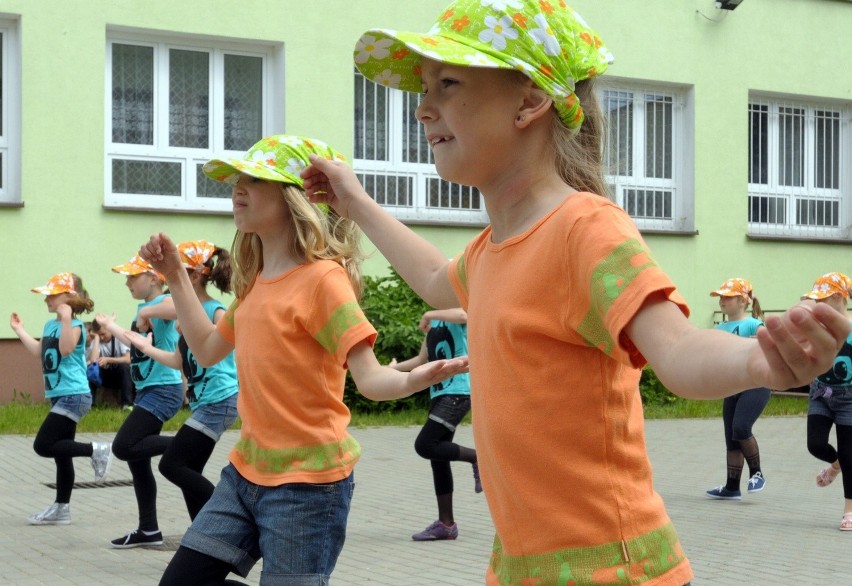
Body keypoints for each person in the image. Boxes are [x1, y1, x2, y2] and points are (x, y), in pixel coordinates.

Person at [299, 1, 852, 583]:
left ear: (531, 100)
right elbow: (438, 279)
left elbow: (678, 350)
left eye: (448, 82)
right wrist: (354, 202)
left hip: (613, 570)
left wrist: (755, 359)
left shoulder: (585, 228)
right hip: (523, 567)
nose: (422, 106)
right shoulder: (493, 248)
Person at [139, 134, 469, 585]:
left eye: (257, 179)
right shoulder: (254, 282)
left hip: (309, 487)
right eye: (239, 178)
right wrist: (175, 275)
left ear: (296, 197)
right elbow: (207, 348)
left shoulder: (323, 281)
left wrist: (418, 377)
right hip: (244, 474)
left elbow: (370, 379)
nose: (239, 187)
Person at [125, 239, 239, 522]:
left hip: (221, 399)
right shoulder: (186, 315)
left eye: (179, 273)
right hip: (204, 401)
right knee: (189, 470)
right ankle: (203, 538)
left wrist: (200, 327)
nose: (170, 280)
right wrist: (145, 346)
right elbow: (178, 362)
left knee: (172, 465)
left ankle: (232, 519)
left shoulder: (217, 310)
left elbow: (224, 347)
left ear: (198, 275)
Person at [9, 272, 112, 525]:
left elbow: (66, 349)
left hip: (74, 395)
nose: (46, 298)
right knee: (61, 455)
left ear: (68, 297)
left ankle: (96, 449)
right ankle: (61, 509)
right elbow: (39, 351)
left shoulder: (75, 326)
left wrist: (67, 319)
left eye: (52, 294)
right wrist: (19, 330)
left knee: (43, 445)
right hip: (59, 396)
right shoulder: (49, 326)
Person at [96, 254, 183, 549]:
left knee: (124, 446)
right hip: (149, 389)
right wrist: (110, 325)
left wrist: (150, 312)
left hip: (163, 389)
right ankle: (149, 530)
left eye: (133, 277)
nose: (127, 282)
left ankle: (186, 446)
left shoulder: (167, 300)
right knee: (137, 460)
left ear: (154, 278)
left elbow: (176, 307)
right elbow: (135, 339)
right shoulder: (143, 307)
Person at [389, 307, 480, 541]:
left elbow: (464, 315)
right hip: (440, 393)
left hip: (459, 390)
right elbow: (422, 360)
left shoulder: (454, 314)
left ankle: (478, 457)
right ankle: (446, 524)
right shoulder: (435, 323)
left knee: (425, 445)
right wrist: (390, 369)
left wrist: (431, 313)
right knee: (438, 458)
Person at [705, 278, 771, 500]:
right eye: (721, 297)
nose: (722, 301)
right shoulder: (719, 328)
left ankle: (757, 474)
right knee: (732, 438)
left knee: (742, 428)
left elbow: (767, 347)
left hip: (755, 386)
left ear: (743, 301)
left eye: (727, 297)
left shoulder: (753, 324)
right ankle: (732, 487)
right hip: (731, 387)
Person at [803, 273, 852, 530]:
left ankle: (849, 510)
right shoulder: (818, 328)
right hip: (821, 392)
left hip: (849, 399)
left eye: (820, 300)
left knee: (849, 452)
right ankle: (835, 465)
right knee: (815, 444)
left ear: (837, 297)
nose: (816, 306)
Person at [91, 318, 135, 409]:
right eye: (99, 335)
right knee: (91, 369)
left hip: (119, 375)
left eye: (103, 334)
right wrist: (96, 339)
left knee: (124, 367)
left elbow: (128, 359)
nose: (102, 337)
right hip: (105, 376)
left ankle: (127, 404)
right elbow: (93, 361)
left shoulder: (120, 338)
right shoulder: (97, 341)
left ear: (110, 330)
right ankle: (90, 404)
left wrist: (108, 360)